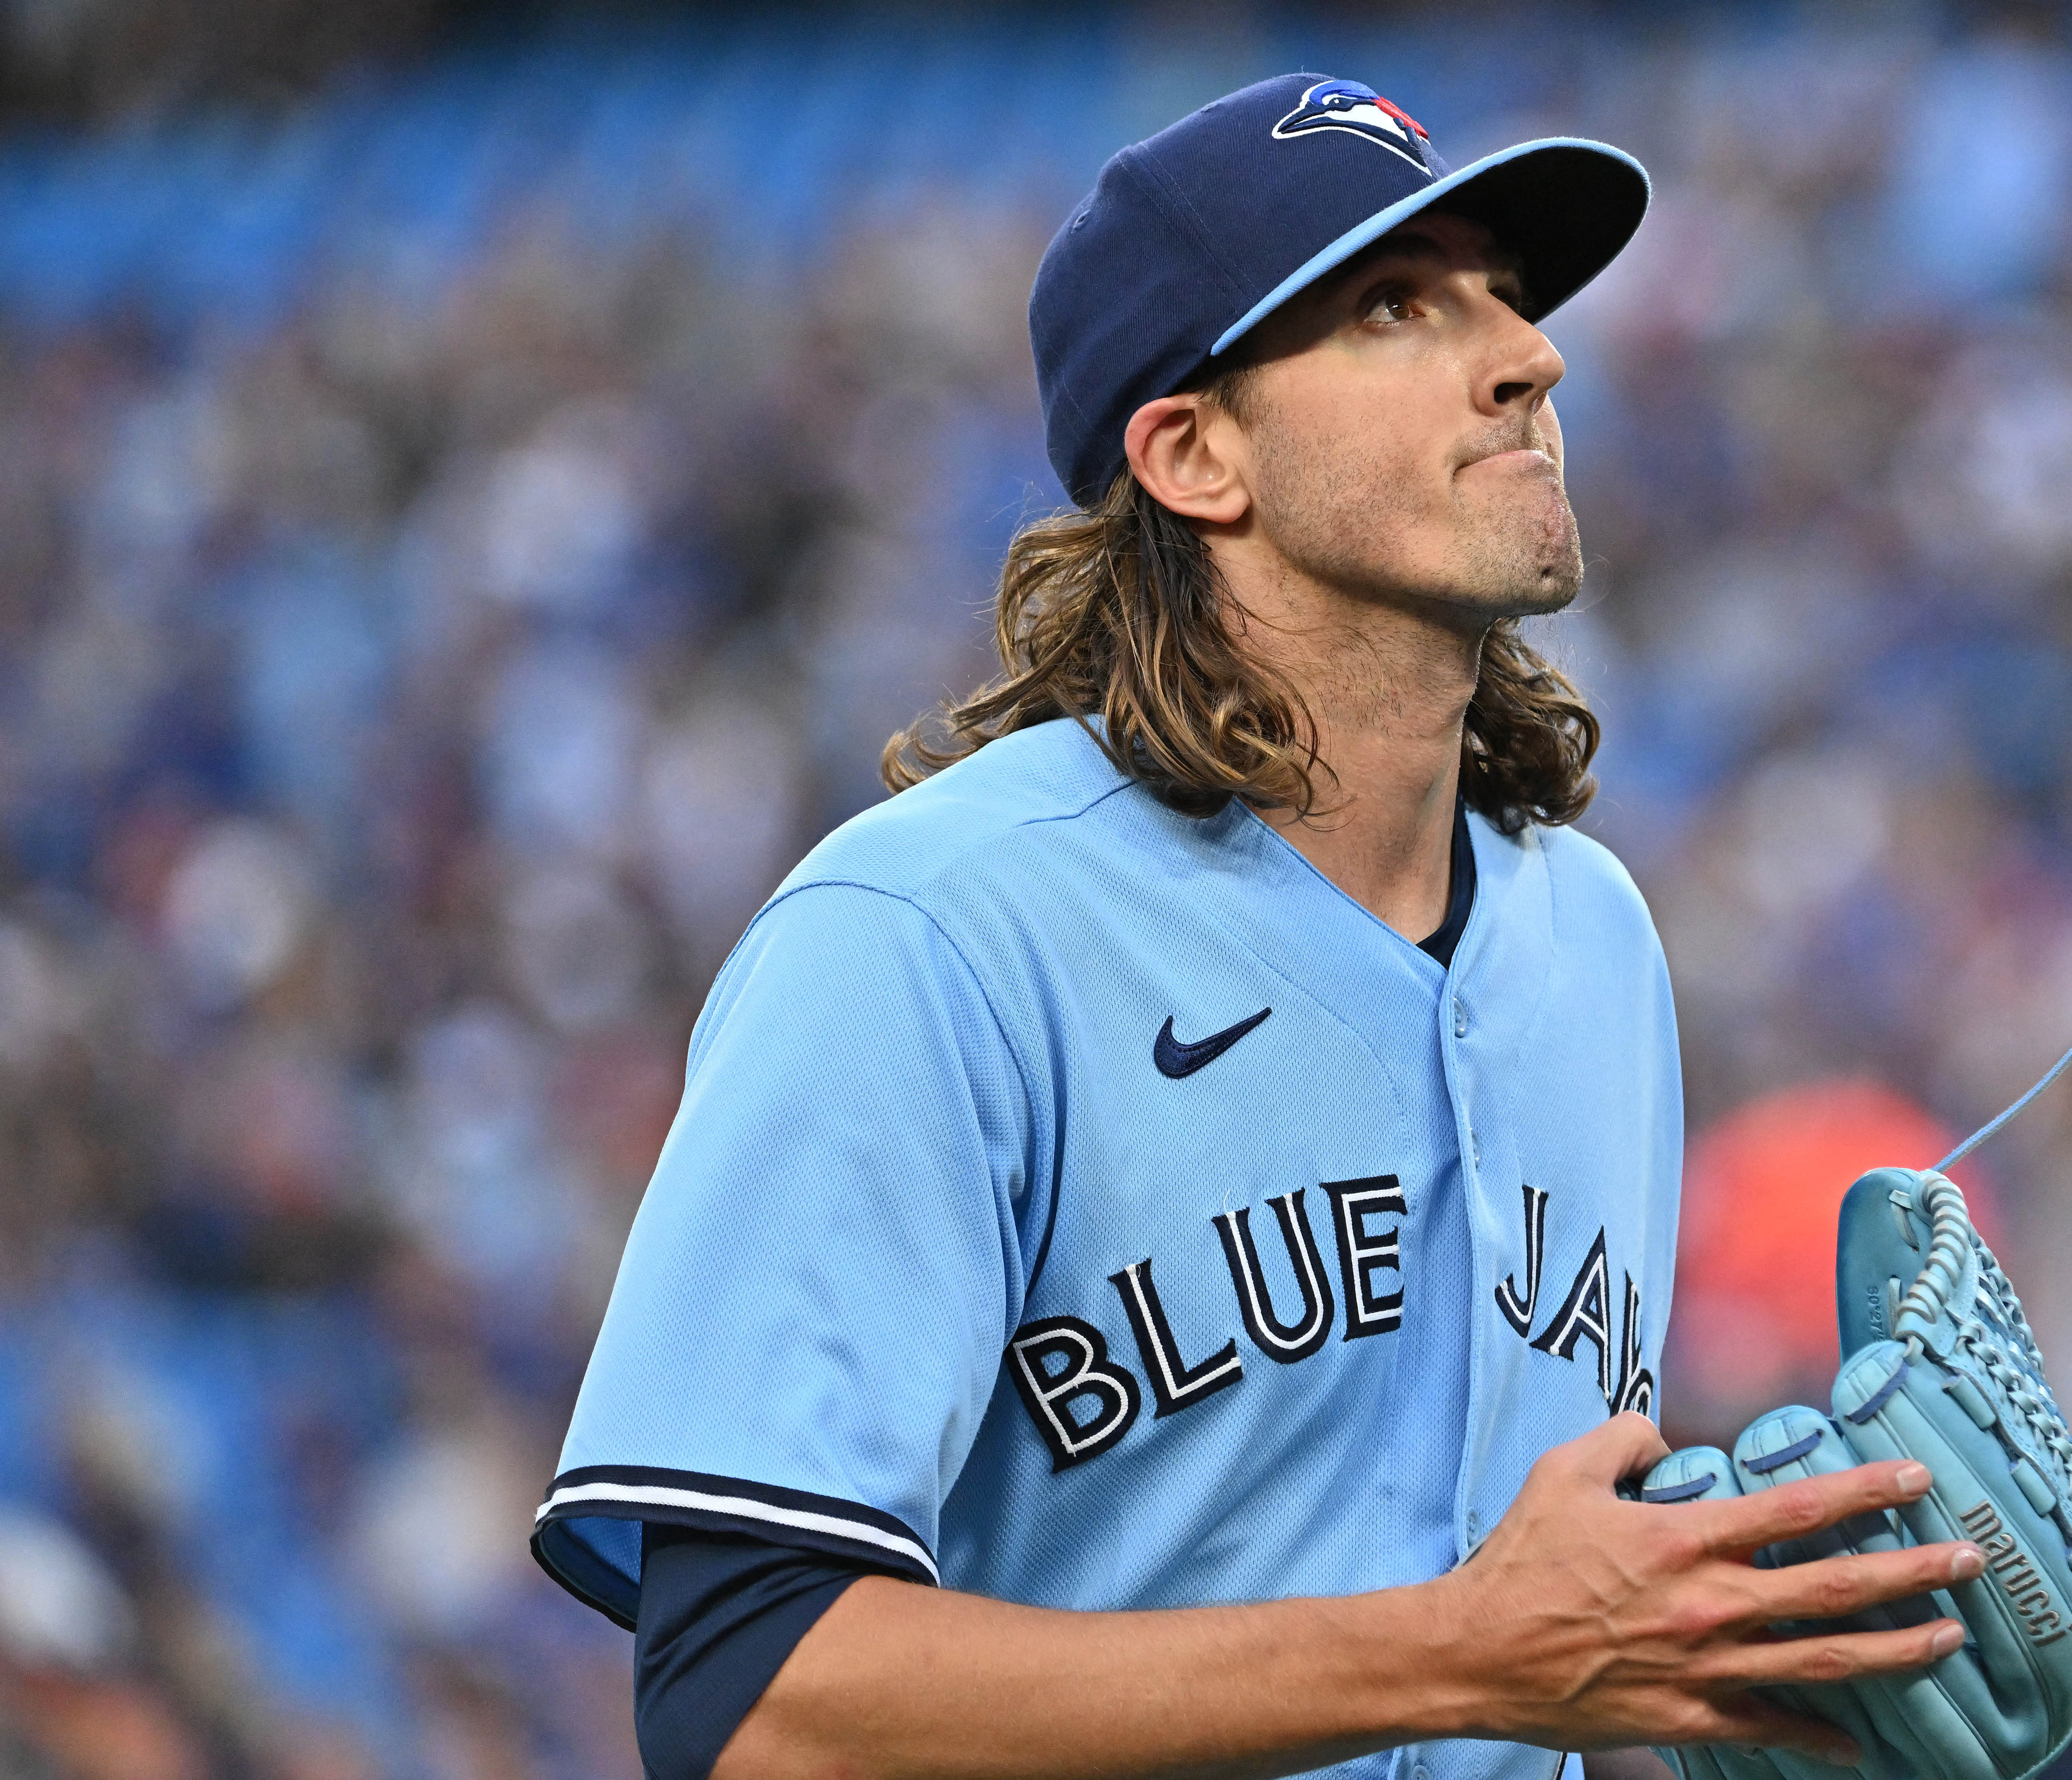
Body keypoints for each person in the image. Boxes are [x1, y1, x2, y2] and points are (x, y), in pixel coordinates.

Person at [528, 72, 1984, 1780]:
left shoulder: (1596, 947)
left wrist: (1756, 1687)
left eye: (1506, 297)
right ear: (1194, 452)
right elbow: (748, 1704)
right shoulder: (926, 934)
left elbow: (1552, 1671)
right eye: (1394, 309)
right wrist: (1465, 1657)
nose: (1529, 356)